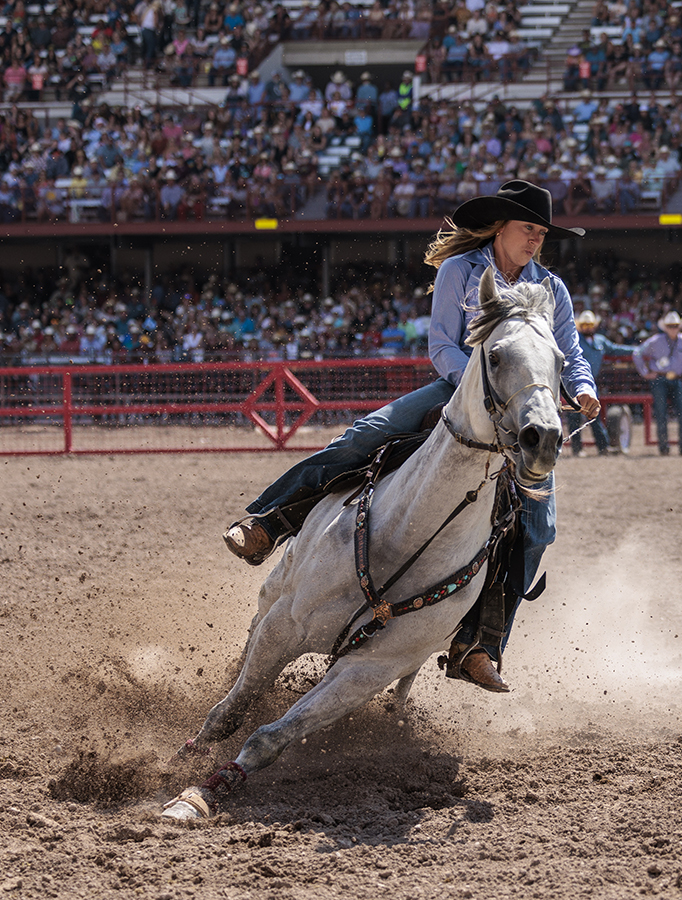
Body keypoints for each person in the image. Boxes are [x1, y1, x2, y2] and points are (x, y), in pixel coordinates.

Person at [221, 181, 599, 693]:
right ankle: (269, 520)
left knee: (536, 526)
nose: (535, 239)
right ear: (501, 228)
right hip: (459, 389)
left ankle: (480, 643)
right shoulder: (459, 271)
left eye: (540, 232)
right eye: (527, 228)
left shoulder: (550, 289)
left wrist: (582, 387)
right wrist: (481, 392)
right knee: (366, 435)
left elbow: (569, 352)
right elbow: (442, 345)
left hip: (517, 414)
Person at [566, 309, 635, 456]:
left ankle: (603, 447)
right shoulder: (574, 339)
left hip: (590, 382)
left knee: (593, 413)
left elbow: (616, 349)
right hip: (573, 381)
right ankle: (577, 449)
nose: (587, 328)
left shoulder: (600, 340)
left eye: (590, 325)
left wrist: (635, 350)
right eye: (584, 325)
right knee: (574, 416)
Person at [633, 311, 682, 455]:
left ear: (679, 326)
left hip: (676, 379)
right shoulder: (656, 340)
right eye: (671, 326)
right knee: (661, 414)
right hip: (659, 379)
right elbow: (637, 353)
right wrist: (645, 373)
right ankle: (664, 448)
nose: (673, 328)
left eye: (676, 326)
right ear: (666, 327)